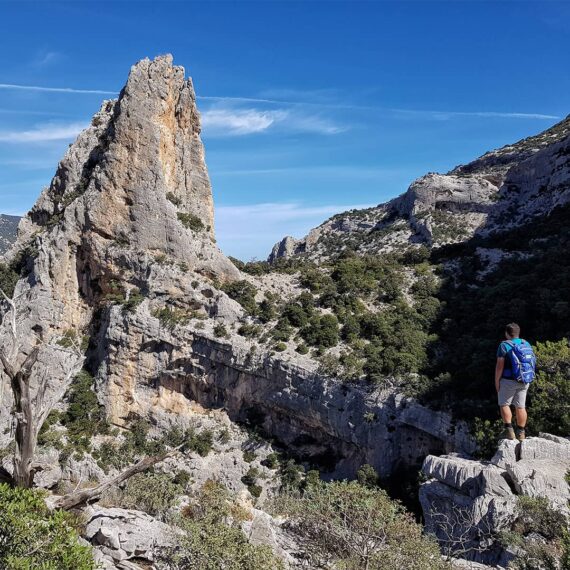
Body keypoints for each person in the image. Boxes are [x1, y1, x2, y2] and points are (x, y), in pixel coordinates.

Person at [495, 323, 529, 441]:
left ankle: (509, 431)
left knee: (504, 404)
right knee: (521, 406)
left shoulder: (504, 345)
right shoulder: (526, 343)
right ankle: (521, 433)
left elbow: (500, 366)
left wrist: (497, 381)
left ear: (507, 333)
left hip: (508, 380)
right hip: (524, 379)